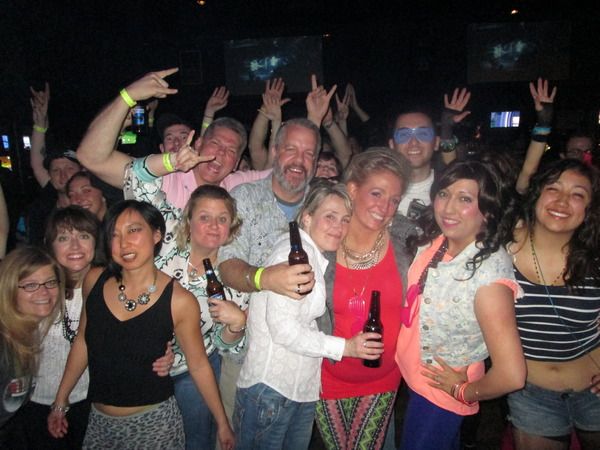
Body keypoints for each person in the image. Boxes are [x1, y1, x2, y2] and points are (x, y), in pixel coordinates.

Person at [47, 200, 234, 449]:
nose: (124, 243)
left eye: (133, 230)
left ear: (156, 234)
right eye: (114, 235)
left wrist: (222, 423)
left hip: (155, 425)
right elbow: (83, 340)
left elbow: (198, 364)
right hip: (100, 423)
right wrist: (61, 400)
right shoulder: (95, 279)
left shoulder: (179, 301)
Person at [234, 180, 381, 449]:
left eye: (345, 219)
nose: (339, 227)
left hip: (297, 390)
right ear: (307, 217)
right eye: (330, 217)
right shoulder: (292, 255)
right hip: (271, 390)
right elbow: (284, 330)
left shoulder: (313, 255)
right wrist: (346, 347)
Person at [395, 160, 526, 450]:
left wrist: (463, 391)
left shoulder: (489, 278)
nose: (448, 208)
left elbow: (513, 375)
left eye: (465, 199)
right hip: (415, 380)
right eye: (444, 194)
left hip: (439, 395)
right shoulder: (439, 239)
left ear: (488, 210)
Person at [315, 147, 417, 450]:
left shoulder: (407, 241)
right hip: (325, 376)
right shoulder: (322, 242)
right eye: (376, 194)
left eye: (394, 199)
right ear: (352, 189)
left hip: (381, 378)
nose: (385, 207)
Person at [507, 158, 600, 450]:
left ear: (589, 209)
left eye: (577, 194)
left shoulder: (595, 255)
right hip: (531, 394)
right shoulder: (501, 249)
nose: (562, 201)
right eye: (553, 188)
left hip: (595, 390)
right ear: (537, 194)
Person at [155, 185, 247, 450]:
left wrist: (237, 324)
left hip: (195, 371)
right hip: (146, 363)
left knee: (195, 441)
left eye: (222, 219)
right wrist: (172, 163)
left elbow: (225, 345)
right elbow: (137, 180)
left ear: (232, 226)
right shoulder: (165, 243)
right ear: (189, 220)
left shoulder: (233, 276)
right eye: (205, 217)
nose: (214, 226)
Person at [0, 247, 64, 444]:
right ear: (9, 289)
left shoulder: (27, 333)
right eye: (30, 285)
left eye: (50, 282)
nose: (44, 292)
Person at [388, 88, 471, 218]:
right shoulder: (378, 190)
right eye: (404, 135)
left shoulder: (451, 188)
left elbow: (453, 167)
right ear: (392, 145)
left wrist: (446, 130)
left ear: (436, 143)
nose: (414, 142)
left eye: (423, 134)